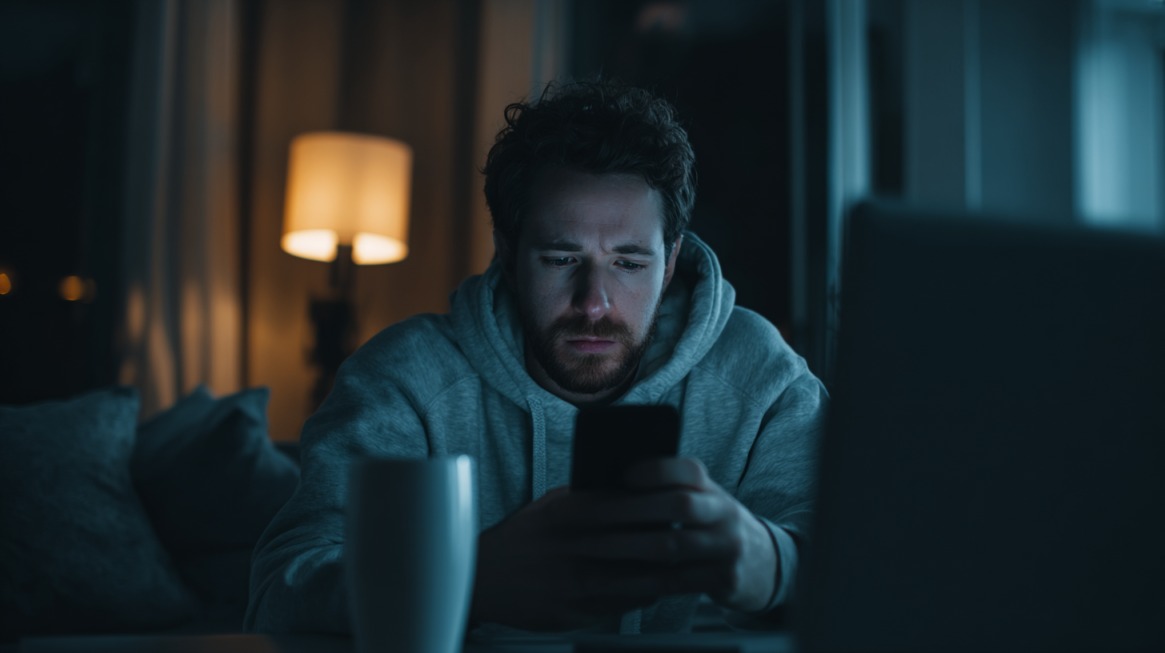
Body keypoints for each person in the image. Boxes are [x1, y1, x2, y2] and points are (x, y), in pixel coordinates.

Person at [246, 79, 827, 635]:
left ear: (671, 261)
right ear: (507, 249)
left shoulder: (759, 377)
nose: (594, 304)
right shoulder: (403, 380)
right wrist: (471, 582)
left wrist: (771, 565)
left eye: (629, 263)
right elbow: (279, 593)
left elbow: (876, 573)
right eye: (561, 259)